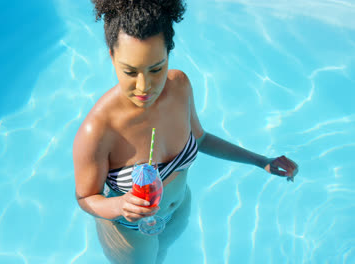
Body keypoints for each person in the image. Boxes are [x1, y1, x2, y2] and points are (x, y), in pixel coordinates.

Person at [72, 0, 299, 263]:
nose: (144, 86)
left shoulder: (179, 86)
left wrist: (262, 161)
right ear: (111, 56)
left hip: (179, 209)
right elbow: (86, 198)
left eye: (156, 69)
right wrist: (119, 205)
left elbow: (200, 139)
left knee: (165, 255)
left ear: (169, 52)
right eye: (130, 71)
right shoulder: (98, 130)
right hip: (131, 233)